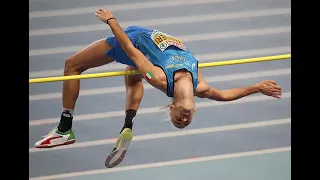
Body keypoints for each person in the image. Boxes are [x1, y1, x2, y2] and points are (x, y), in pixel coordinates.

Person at [34, 9, 283, 168]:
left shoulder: (160, 79)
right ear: (194, 111)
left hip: (133, 40)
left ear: (172, 106)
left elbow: (131, 51)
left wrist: (111, 21)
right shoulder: (202, 87)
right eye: (186, 121)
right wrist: (257, 87)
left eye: (178, 119)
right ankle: (128, 124)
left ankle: (64, 129)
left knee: (72, 65)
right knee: (131, 74)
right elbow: (227, 95)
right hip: (151, 40)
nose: (184, 119)